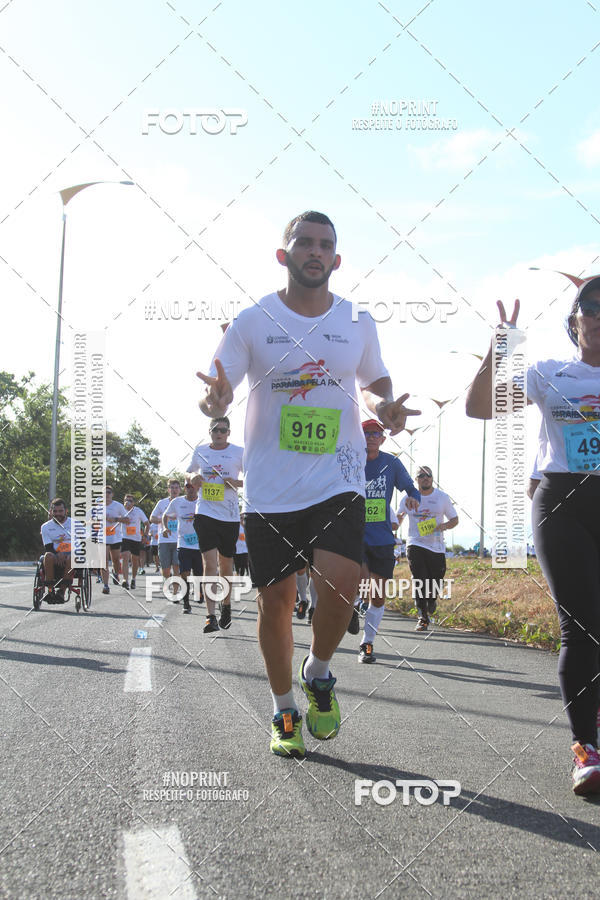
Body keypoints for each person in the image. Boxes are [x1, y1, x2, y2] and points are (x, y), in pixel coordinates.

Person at [197, 210, 419, 757]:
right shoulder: (252, 321)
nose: (315, 252)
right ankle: (284, 711)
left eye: (325, 245)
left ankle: (318, 671)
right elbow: (214, 391)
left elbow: (372, 380)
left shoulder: (356, 321)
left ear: (336, 260)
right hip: (271, 488)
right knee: (275, 602)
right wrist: (216, 400)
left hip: (337, 478)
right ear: (285, 254)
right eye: (304, 243)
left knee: (343, 584)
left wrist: (384, 404)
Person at [465, 281, 600, 795]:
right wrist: (499, 349)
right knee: (581, 625)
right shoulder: (549, 373)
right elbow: (479, 407)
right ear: (574, 321)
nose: (599, 315)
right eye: (590, 307)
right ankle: (586, 748)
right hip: (564, 501)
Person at [356, 419, 420, 662]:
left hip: (382, 537)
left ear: (383, 439)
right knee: (361, 580)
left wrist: (414, 499)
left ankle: (367, 644)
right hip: (355, 532)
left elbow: (410, 489)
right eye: (366, 433)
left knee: (378, 594)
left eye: (376, 433)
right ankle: (354, 603)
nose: (371, 437)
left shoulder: (391, 463)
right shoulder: (349, 459)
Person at [187, 417, 244, 632]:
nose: (219, 433)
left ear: (229, 432)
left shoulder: (239, 452)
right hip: (205, 514)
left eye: (223, 430)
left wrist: (236, 483)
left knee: (226, 566)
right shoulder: (201, 450)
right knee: (210, 565)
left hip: (229, 517)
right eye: (215, 430)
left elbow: (253, 477)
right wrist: (193, 476)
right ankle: (210, 616)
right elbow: (188, 470)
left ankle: (226, 605)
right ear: (209, 431)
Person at [397, 465, 458, 631]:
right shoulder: (407, 498)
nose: (425, 478)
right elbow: (398, 518)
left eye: (428, 475)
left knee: (436, 579)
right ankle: (422, 617)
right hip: (415, 543)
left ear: (432, 478)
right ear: (416, 480)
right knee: (419, 579)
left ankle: (432, 599)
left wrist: (443, 526)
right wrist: (398, 520)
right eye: (421, 475)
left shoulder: (442, 497)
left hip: (436, 546)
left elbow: (454, 519)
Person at [163, 481, 204, 614]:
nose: (191, 490)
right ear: (185, 489)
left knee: (198, 574)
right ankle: (186, 603)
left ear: (197, 488)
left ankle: (199, 590)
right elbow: (166, 515)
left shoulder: (203, 502)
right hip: (183, 544)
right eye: (188, 487)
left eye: (193, 487)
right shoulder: (177, 502)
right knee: (184, 573)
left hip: (200, 545)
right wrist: (165, 527)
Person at [150, 479, 182, 599]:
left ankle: (175, 592)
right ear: (168, 489)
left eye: (176, 487)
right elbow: (151, 518)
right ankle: (168, 579)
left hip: (178, 540)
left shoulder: (183, 502)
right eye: (172, 487)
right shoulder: (161, 503)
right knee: (166, 570)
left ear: (179, 489)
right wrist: (163, 521)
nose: (174, 490)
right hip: (164, 540)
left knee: (176, 566)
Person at [40, 498, 73, 603]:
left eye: (60, 511)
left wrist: (66, 553)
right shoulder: (46, 527)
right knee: (47, 556)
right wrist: (58, 554)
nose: (58, 514)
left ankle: (61, 592)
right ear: (51, 512)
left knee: (73, 558)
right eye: (55, 511)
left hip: (71, 554)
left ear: (66, 511)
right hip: (54, 554)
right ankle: (50, 590)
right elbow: (48, 546)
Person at [101, 486, 129, 595]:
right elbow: (88, 520)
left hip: (115, 537)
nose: (107, 494)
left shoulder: (118, 506)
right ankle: (106, 585)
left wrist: (116, 519)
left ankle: (115, 572)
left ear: (112, 494)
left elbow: (127, 520)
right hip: (102, 537)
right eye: (104, 493)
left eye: (109, 492)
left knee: (116, 560)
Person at [120, 494, 148, 589]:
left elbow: (147, 524)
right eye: (126, 500)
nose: (127, 503)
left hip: (136, 538)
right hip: (125, 537)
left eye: (130, 501)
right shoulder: (121, 511)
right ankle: (125, 580)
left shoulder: (138, 511)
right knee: (125, 556)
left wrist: (145, 535)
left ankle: (133, 579)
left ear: (133, 503)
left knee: (135, 560)